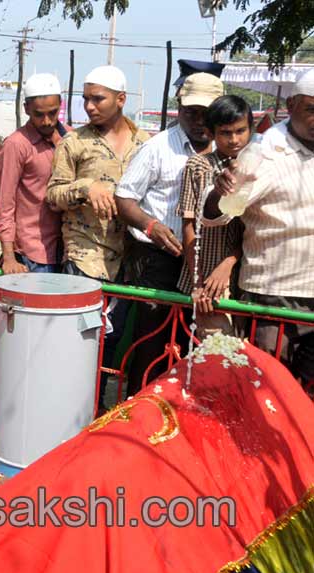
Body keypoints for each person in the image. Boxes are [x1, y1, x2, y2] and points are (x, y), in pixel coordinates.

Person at [46, 66, 149, 410]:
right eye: (85, 98)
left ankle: (97, 408)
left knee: (114, 337)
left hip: (130, 258)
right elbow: (53, 195)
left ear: (121, 99)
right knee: (83, 337)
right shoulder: (74, 143)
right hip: (85, 256)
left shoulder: (146, 143)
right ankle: (73, 408)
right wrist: (87, 187)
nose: (89, 106)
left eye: (97, 98)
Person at [115, 72, 223, 393]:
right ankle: (140, 414)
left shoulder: (230, 146)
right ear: (179, 108)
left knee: (197, 345)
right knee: (152, 343)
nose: (200, 121)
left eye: (207, 113)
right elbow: (124, 198)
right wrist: (151, 225)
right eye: (192, 112)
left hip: (209, 265)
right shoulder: (158, 148)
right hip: (160, 260)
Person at [207, 70, 314, 388]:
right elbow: (219, 213)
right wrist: (219, 191)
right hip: (272, 294)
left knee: (305, 396)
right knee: (266, 388)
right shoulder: (263, 152)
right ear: (291, 105)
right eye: (311, 109)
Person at [176, 95, 252, 337]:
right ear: (211, 133)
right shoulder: (198, 165)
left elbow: (252, 228)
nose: (234, 139)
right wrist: (198, 281)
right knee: (215, 357)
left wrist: (229, 263)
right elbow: (188, 226)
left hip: (245, 279)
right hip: (207, 282)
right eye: (225, 133)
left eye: (241, 131)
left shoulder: (257, 167)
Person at [0, 73, 68, 274]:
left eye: (52, 113)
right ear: (26, 109)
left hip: (69, 251)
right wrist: (9, 257)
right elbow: (5, 203)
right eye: (39, 114)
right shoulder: (16, 145)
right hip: (33, 254)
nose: (46, 121)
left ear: (60, 105)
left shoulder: (70, 139)